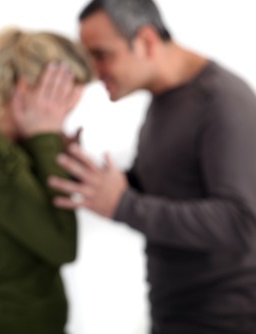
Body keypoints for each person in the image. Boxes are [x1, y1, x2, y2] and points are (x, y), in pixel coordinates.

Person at [48, 0, 256, 333]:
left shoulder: (223, 102)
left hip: (224, 320)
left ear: (145, 41)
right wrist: (89, 176)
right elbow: (166, 186)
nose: (93, 72)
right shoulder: (165, 100)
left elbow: (241, 223)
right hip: (173, 313)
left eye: (101, 54)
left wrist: (123, 205)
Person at [0, 27, 92, 334]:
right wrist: (46, 140)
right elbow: (63, 246)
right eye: (61, 96)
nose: (66, 110)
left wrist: (50, 150)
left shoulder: (15, 143)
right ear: (28, 87)